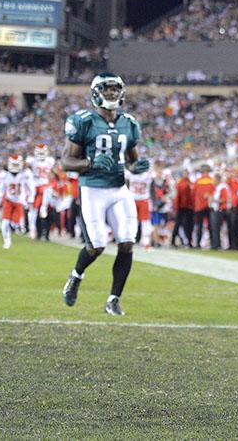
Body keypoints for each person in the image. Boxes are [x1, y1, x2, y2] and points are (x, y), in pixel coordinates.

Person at [61, 72, 150, 315]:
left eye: (115, 89)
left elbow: (131, 161)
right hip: (93, 189)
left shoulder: (128, 123)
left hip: (120, 189)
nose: (111, 93)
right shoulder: (84, 121)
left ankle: (113, 299)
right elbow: (66, 162)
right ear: (96, 93)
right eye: (106, 89)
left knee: (127, 241)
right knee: (97, 245)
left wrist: (136, 167)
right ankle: (76, 276)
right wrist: (90, 163)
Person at [0, 155, 34, 249]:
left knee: (15, 224)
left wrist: (30, 199)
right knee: (5, 222)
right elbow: (1, 187)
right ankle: (7, 241)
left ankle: (17, 228)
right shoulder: (5, 174)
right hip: (8, 200)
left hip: (19, 201)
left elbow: (31, 187)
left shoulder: (25, 173)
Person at [28, 144, 55, 240]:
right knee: (36, 211)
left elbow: (52, 174)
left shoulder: (49, 161)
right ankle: (36, 231)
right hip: (37, 187)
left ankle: (44, 233)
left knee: (45, 212)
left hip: (46, 188)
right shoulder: (32, 160)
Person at [193, 164, 215, 249]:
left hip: (202, 207)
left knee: (201, 226)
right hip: (207, 206)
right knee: (208, 226)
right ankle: (212, 243)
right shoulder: (211, 181)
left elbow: (193, 193)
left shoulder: (198, 181)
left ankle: (199, 244)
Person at [171, 168, 194, 248]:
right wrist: (176, 207)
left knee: (189, 225)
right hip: (181, 207)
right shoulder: (180, 183)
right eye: (185, 173)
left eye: (187, 173)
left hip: (189, 207)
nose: (186, 175)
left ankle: (189, 241)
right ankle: (173, 240)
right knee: (178, 224)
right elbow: (177, 196)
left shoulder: (191, 183)